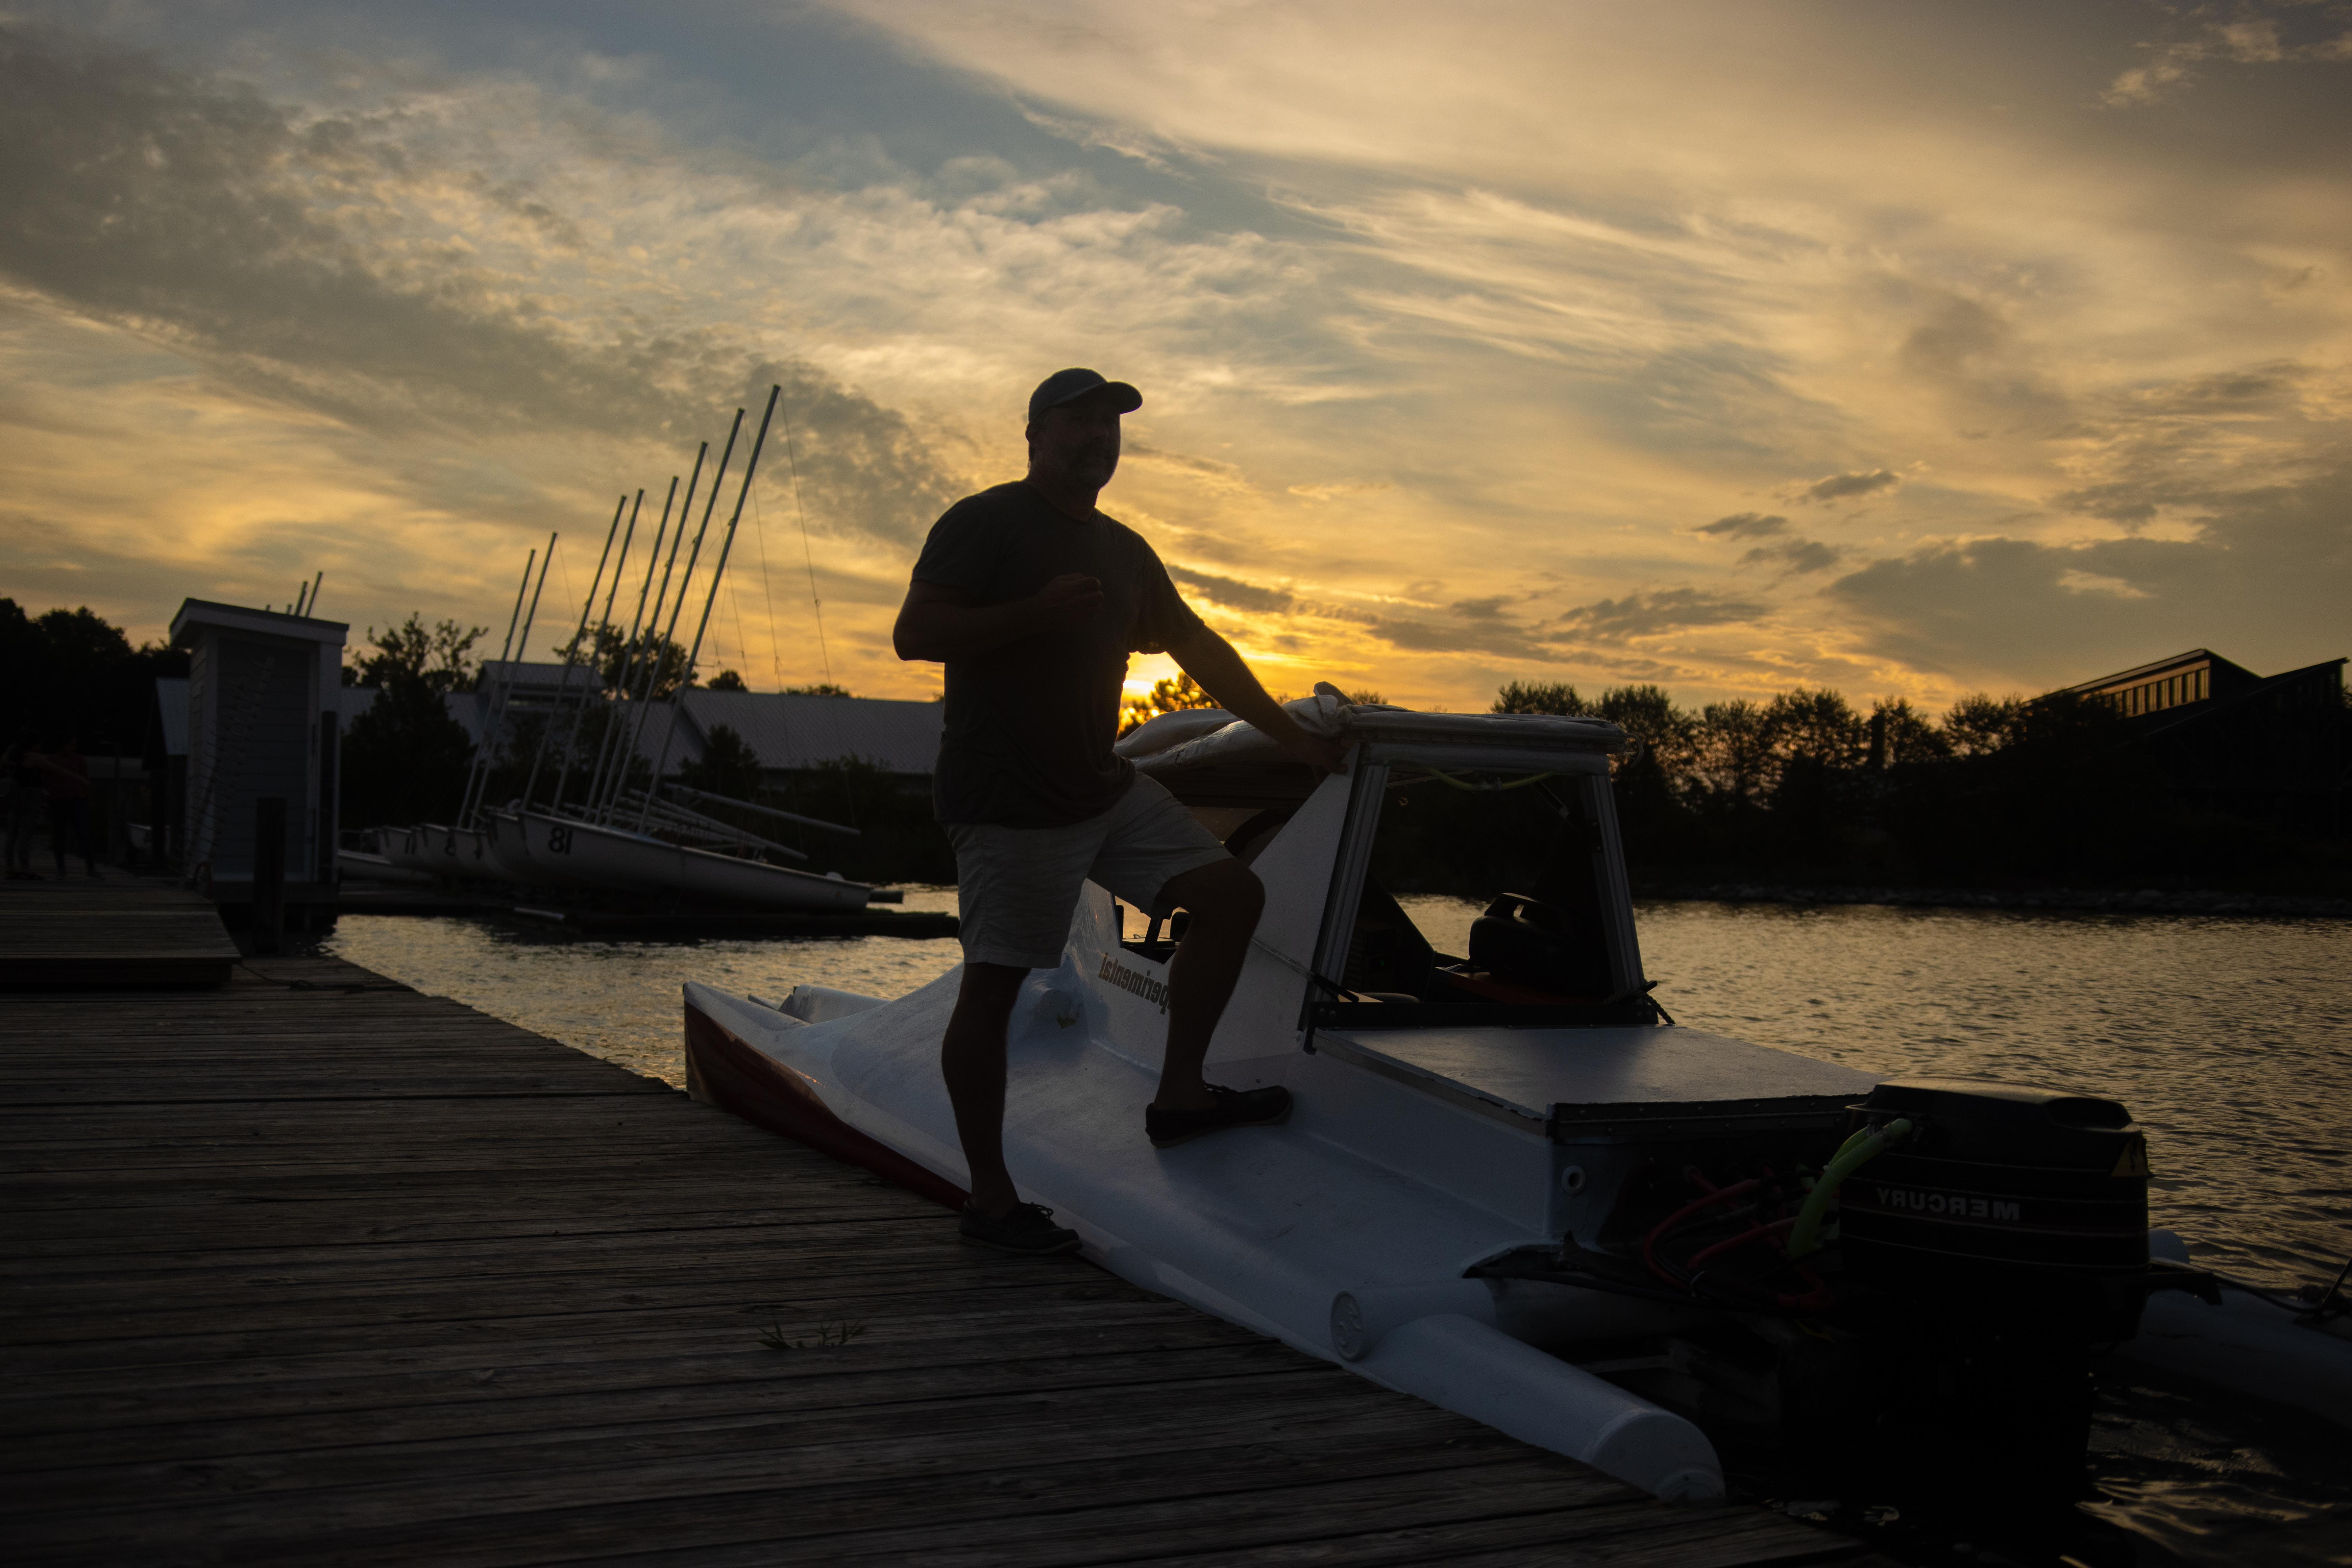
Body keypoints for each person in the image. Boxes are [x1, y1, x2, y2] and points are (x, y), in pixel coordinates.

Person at [894, 368, 1348, 1255]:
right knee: (995, 985)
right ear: (1035, 434)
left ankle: (1182, 1096)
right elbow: (917, 636)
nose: (1097, 437)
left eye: (1110, 424)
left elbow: (1198, 646)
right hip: (1010, 803)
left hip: (1101, 788)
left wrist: (1289, 736)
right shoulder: (983, 523)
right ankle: (990, 1200)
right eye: (1079, 421)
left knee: (1229, 897)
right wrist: (1032, 612)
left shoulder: (1125, 549)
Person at [35, 735, 100, 879]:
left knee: (83, 835)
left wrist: (87, 799)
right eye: (70, 745)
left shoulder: (79, 760)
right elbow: (44, 781)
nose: (73, 748)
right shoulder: (51, 761)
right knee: (60, 835)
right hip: (58, 801)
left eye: (73, 746)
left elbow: (85, 780)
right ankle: (61, 868)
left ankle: (91, 868)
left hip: (77, 800)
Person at [3, 735, 44, 880]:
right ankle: (25, 869)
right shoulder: (33, 757)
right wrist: (80, 779)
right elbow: (54, 769)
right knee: (25, 834)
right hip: (30, 797)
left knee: (12, 833)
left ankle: (10, 867)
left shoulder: (13, 757)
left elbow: (5, 761)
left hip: (14, 796)